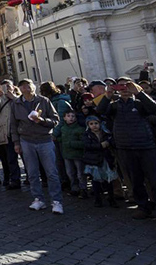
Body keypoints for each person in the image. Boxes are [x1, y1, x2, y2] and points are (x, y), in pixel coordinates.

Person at [96, 78, 156, 219]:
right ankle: (143, 207)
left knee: (154, 179)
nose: (125, 91)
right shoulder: (114, 106)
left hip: (146, 146)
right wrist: (107, 96)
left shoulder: (140, 103)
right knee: (135, 180)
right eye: (121, 88)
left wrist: (139, 93)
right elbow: (100, 111)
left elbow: (154, 108)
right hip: (125, 147)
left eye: (127, 88)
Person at [10, 79, 64, 214]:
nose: (26, 89)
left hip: (44, 139)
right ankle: (38, 199)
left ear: (34, 87)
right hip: (26, 141)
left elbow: (55, 120)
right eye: (23, 87)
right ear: (20, 89)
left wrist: (41, 121)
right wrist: (16, 143)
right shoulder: (16, 104)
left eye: (29, 86)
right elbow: (13, 125)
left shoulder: (44, 101)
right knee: (32, 173)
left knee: (51, 172)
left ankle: (56, 201)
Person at [0, 80, 22, 189]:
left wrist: (13, 97)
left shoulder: (19, 97)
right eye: (3, 87)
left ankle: (30, 178)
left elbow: (24, 107)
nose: (6, 89)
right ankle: (15, 180)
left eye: (8, 86)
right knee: (11, 159)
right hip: (6, 133)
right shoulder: (0, 100)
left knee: (26, 158)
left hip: (21, 132)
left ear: (13, 87)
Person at [82, 115, 118, 208]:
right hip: (94, 160)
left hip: (106, 159)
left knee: (108, 181)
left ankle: (111, 198)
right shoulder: (87, 135)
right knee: (95, 181)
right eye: (91, 124)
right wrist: (100, 145)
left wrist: (109, 143)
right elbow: (87, 146)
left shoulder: (106, 133)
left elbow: (112, 143)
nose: (94, 126)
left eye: (96, 123)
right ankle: (98, 199)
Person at [53, 109, 87, 198]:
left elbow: (83, 143)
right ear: (64, 118)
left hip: (77, 155)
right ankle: (74, 188)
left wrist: (71, 144)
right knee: (70, 173)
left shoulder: (80, 129)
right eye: (68, 116)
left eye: (73, 116)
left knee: (80, 173)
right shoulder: (63, 129)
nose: (71, 118)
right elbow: (62, 139)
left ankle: (83, 189)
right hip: (67, 155)